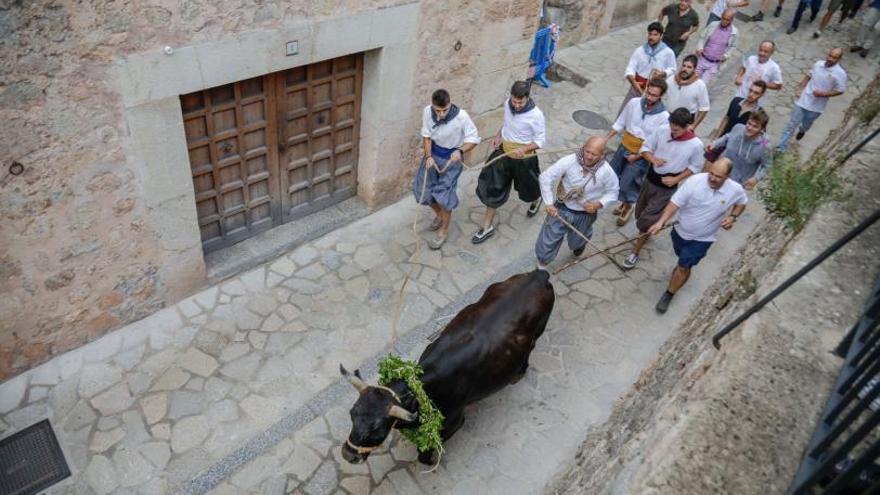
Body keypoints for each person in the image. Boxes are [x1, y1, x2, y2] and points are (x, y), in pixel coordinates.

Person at [646, 158, 748, 313]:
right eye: (711, 173)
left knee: (684, 265)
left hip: (703, 238)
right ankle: (682, 269)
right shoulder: (694, 182)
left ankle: (669, 294)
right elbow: (675, 203)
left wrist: (733, 217)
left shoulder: (735, 189)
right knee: (681, 257)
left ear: (727, 177)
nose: (713, 178)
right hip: (680, 232)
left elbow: (742, 202)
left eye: (718, 176)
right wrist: (661, 222)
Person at [622, 108, 704, 269]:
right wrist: (653, 159)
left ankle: (635, 252)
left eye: (677, 130)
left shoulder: (695, 145)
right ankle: (645, 231)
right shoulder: (662, 130)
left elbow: (695, 167)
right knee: (640, 213)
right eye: (671, 127)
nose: (672, 132)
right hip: (649, 179)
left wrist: (676, 179)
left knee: (647, 220)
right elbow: (645, 148)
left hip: (667, 189)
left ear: (688, 126)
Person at [473, 81, 546, 244]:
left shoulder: (536, 115)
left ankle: (536, 199)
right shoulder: (508, 104)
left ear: (528, 98)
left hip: (524, 159)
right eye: (514, 100)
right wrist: (499, 135)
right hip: (504, 153)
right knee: (493, 187)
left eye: (520, 102)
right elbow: (507, 123)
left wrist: (525, 149)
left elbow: (540, 141)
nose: (516, 105)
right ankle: (486, 226)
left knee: (530, 189)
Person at [534, 137, 619, 270]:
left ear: (602, 155)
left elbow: (613, 192)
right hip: (561, 208)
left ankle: (579, 247)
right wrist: (549, 203)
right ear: (583, 148)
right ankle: (541, 266)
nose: (589, 157)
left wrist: (598, 204)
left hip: (585, 214)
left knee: (577, 242)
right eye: (587, 152)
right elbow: (545, 177)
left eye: (594, 154)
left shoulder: (607, 172)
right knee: (548, 240)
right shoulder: (569, 161)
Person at [413, 89, 481, 249]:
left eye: (445, 110)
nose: (442, 114)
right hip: (432, 157)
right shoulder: (427, 112)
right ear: (432, 105)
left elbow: (474, 138)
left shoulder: (462, 116)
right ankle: (440, 215)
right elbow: (427, 136)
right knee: (423, 192)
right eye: (438, 110)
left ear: (450, 103)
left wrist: (461, 150)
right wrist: (428, 157)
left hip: (452, 160)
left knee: (443, 196)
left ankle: (443, 230)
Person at [606, 78, 670, 227]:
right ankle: (623, 203)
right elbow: (620, 123)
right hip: (624, 146)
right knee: (614, 176)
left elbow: (656, 143)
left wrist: (637, 156)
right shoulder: (634, 103)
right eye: (648, 92)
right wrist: (605, 139)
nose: (649, 97)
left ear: (660, 96)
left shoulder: (664, 117)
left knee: (628, 183)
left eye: (654, 95)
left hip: (641, 154)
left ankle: (628, 207)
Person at [777, 48, 847, 152]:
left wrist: (824, 94)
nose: (830, 59)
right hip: (803, 100)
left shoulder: (840, 74)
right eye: (830, 55)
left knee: (806, 124)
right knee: (791, 125)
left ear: (839, 59)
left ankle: (802, 130)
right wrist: (800, 89)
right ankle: (781, 148)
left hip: (817, 107)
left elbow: (840, 90)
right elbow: (808, 76)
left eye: (834, 57)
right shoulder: (818, 64)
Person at [618, 22, 678, 115]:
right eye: (650, 34)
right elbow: (631, 67)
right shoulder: (640, 50)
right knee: (626, 111)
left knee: (647, 113)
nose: (651, 37)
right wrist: (633, 82)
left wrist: (663, 73)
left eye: (655, 35)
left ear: (661, 36)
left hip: (654, 90)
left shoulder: (668, 52)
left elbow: (673, 68)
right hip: (637, 86)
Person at [706, 109, 772, 189]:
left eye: (755, 126)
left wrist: (756, 178)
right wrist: (715, 144)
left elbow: (767, 165)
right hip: (721, 174)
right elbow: (728, 137)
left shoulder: (765, 147)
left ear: (762, 129)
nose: (749, 128)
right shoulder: (738, 128)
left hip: (738, 183)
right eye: (749, 123)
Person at [705, 80, 767, 162]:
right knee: (707, 166)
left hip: (735, 148)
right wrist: (716, 138)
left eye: (756, 93)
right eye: (750, 90)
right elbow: (726, 118)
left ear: (761, 95)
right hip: (722, 140)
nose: (751, 94)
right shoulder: (736, 101)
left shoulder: (758, 113)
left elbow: (761, 135)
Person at [665, 55, 711, 129]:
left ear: (694, 69)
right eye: (684, 66)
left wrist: (693, 126)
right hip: (668, 118)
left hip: (685, 122)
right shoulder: (671, 79)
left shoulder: (700, 85)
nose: (685, 69)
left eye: (689, 67)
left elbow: (704, 109)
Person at [695, 9, 739, 83]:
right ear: (721, 16)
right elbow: (702, 36)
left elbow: (733, 46)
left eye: (727, 20)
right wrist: (700, 48)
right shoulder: (713, 24)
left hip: (714, 64)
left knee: (702, 84)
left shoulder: (734, 32)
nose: (724, 21)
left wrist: (726, 55)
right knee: (692, 80)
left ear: (731, 20)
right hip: (702, 58)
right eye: (723, 18)